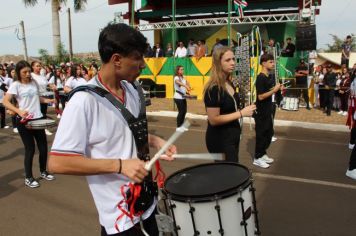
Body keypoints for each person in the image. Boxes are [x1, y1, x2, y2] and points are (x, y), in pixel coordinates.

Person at [48, 23, 177, 236]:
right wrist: (120, 166)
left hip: (148, 205)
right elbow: (57, 162)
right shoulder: (83, 101)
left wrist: (154, 141)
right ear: (117, 60)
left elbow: (122, 134)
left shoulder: (132, 90)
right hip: (120, 220)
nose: (143, 65)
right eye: (137, 58)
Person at [2, 60, 55, 188]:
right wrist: (18, 111)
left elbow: (37, 98)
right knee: (30, 149)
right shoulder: (16, 85)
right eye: (24, 72)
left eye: (28, 71)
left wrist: (49, 100)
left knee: (43, 148)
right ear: (19, 73)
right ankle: (29, 177)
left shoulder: (34, 83)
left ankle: (43, 171)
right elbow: (5, 101)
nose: (27, 74)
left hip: (38, 119)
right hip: (24, 121)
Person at [203, 46, 256, 163]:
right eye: (228, 60)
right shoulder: (214, 88)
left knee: (230, 172)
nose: (232, 63)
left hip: (232, 137)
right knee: (228, 175)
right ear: (218, 63)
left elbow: (230, 109)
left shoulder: (228, 82)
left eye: (233, 59)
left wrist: (244, 106)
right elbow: (213, 119)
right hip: (220, 139)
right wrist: (241, 113)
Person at [253, 53, 283, 168]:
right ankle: (257, 157)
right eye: (271, 62)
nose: (273, 64)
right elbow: (260, 96)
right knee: (261, 134)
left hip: (268, 109)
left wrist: (278, 88)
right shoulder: (260, 77)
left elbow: (270, 89)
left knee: (269, 133)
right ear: (263, 63)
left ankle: (263, 153)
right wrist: (274, 90)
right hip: (261, 111)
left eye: (273, 61)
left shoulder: (268, 77)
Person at [31, 61, 53, 135]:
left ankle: (43, 128)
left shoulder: (42, 76)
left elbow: (47, 84)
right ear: (32, 67)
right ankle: (39, 129)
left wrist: (52, 86)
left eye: (39, 66)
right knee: (37, 113)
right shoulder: (31, 76)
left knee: (43, 112)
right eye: (37, 66)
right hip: (36, 97)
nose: (39, 67)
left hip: (44, 96)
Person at [173, 65, 191, 129]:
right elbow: (178, 82)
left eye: (183, 69)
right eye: (181, 69)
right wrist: (185, 86)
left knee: (184, 111)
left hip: (183, 97)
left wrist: (189, 87)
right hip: (177, 97)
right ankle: (178, 127)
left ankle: (181, 126)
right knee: (181, 111)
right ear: (178, 70)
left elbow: (187, 82)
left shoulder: (183, 77)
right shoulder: (176, 77)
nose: (182, 70)